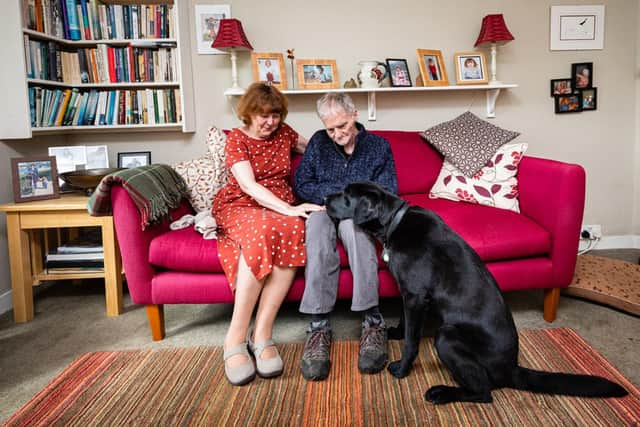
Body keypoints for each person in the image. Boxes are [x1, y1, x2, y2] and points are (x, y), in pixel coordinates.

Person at [212, 82, 323, 386]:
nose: (270, 122)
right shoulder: (237, 138)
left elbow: (316, 147)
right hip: (242, 204)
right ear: (248, 113)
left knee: (294, 227)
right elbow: (248, 186)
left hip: (279, 206)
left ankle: (262, 333)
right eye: (263, 116)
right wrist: (288, 209)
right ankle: (234, 337)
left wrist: (348, 141)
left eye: (275, 115)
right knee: (263, 230)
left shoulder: (284, 132)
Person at [294, 92, 398, 381]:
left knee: (357, 232)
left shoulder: (378, 146)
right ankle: (318, 326)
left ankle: (372, 321)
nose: (337, 134)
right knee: (315, 233)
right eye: (330, 129)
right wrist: (329, 198)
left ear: (354, 113)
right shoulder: (318, 142)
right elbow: (302, 182)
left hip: (358, 211)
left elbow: (388, 189)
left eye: (342, 126)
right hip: (324, 205)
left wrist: (352, 204)